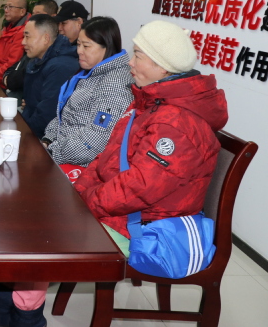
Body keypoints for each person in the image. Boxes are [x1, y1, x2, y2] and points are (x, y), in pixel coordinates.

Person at [75, 20, 228, 259]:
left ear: (163, 68)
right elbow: (107, 157)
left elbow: (139, 187)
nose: (130, 62)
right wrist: (78, 192)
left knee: (56, 242)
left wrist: (86, 201)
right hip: (121, 210)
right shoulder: (148, 102)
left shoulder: (176, 123)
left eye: (138, 56)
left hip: (144, 228)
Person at [42, 16, 134, 172]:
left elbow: (94, 141)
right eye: (78, 44)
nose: (79, 51)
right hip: (61, 152)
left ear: (106, 47)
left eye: (86, 46)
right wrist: (47, 140)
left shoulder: (114, 84)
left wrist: (52, 152)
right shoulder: (91, 72)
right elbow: (65, 115)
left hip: (82, 166)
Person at [20, 14, 79, 138]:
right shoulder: (38, 60)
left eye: (27, 36)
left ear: (46, 39)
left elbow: (46, 116)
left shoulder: (60, 67)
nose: (23, 42)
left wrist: (22, 134)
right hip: (30, 124)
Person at [2, 0, 57, 99]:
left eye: (38, 14)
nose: (23, 42)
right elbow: (13, 67)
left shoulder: (54, 63)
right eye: (33, 14)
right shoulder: (34, 50)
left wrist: (8, 80)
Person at [0, 0, 29, 87]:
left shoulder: (24, 32)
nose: (6, 10)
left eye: (10, 7)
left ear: (22, 11)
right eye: (5, 7)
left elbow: (11, 64)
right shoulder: (8, 27)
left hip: (4, 80)